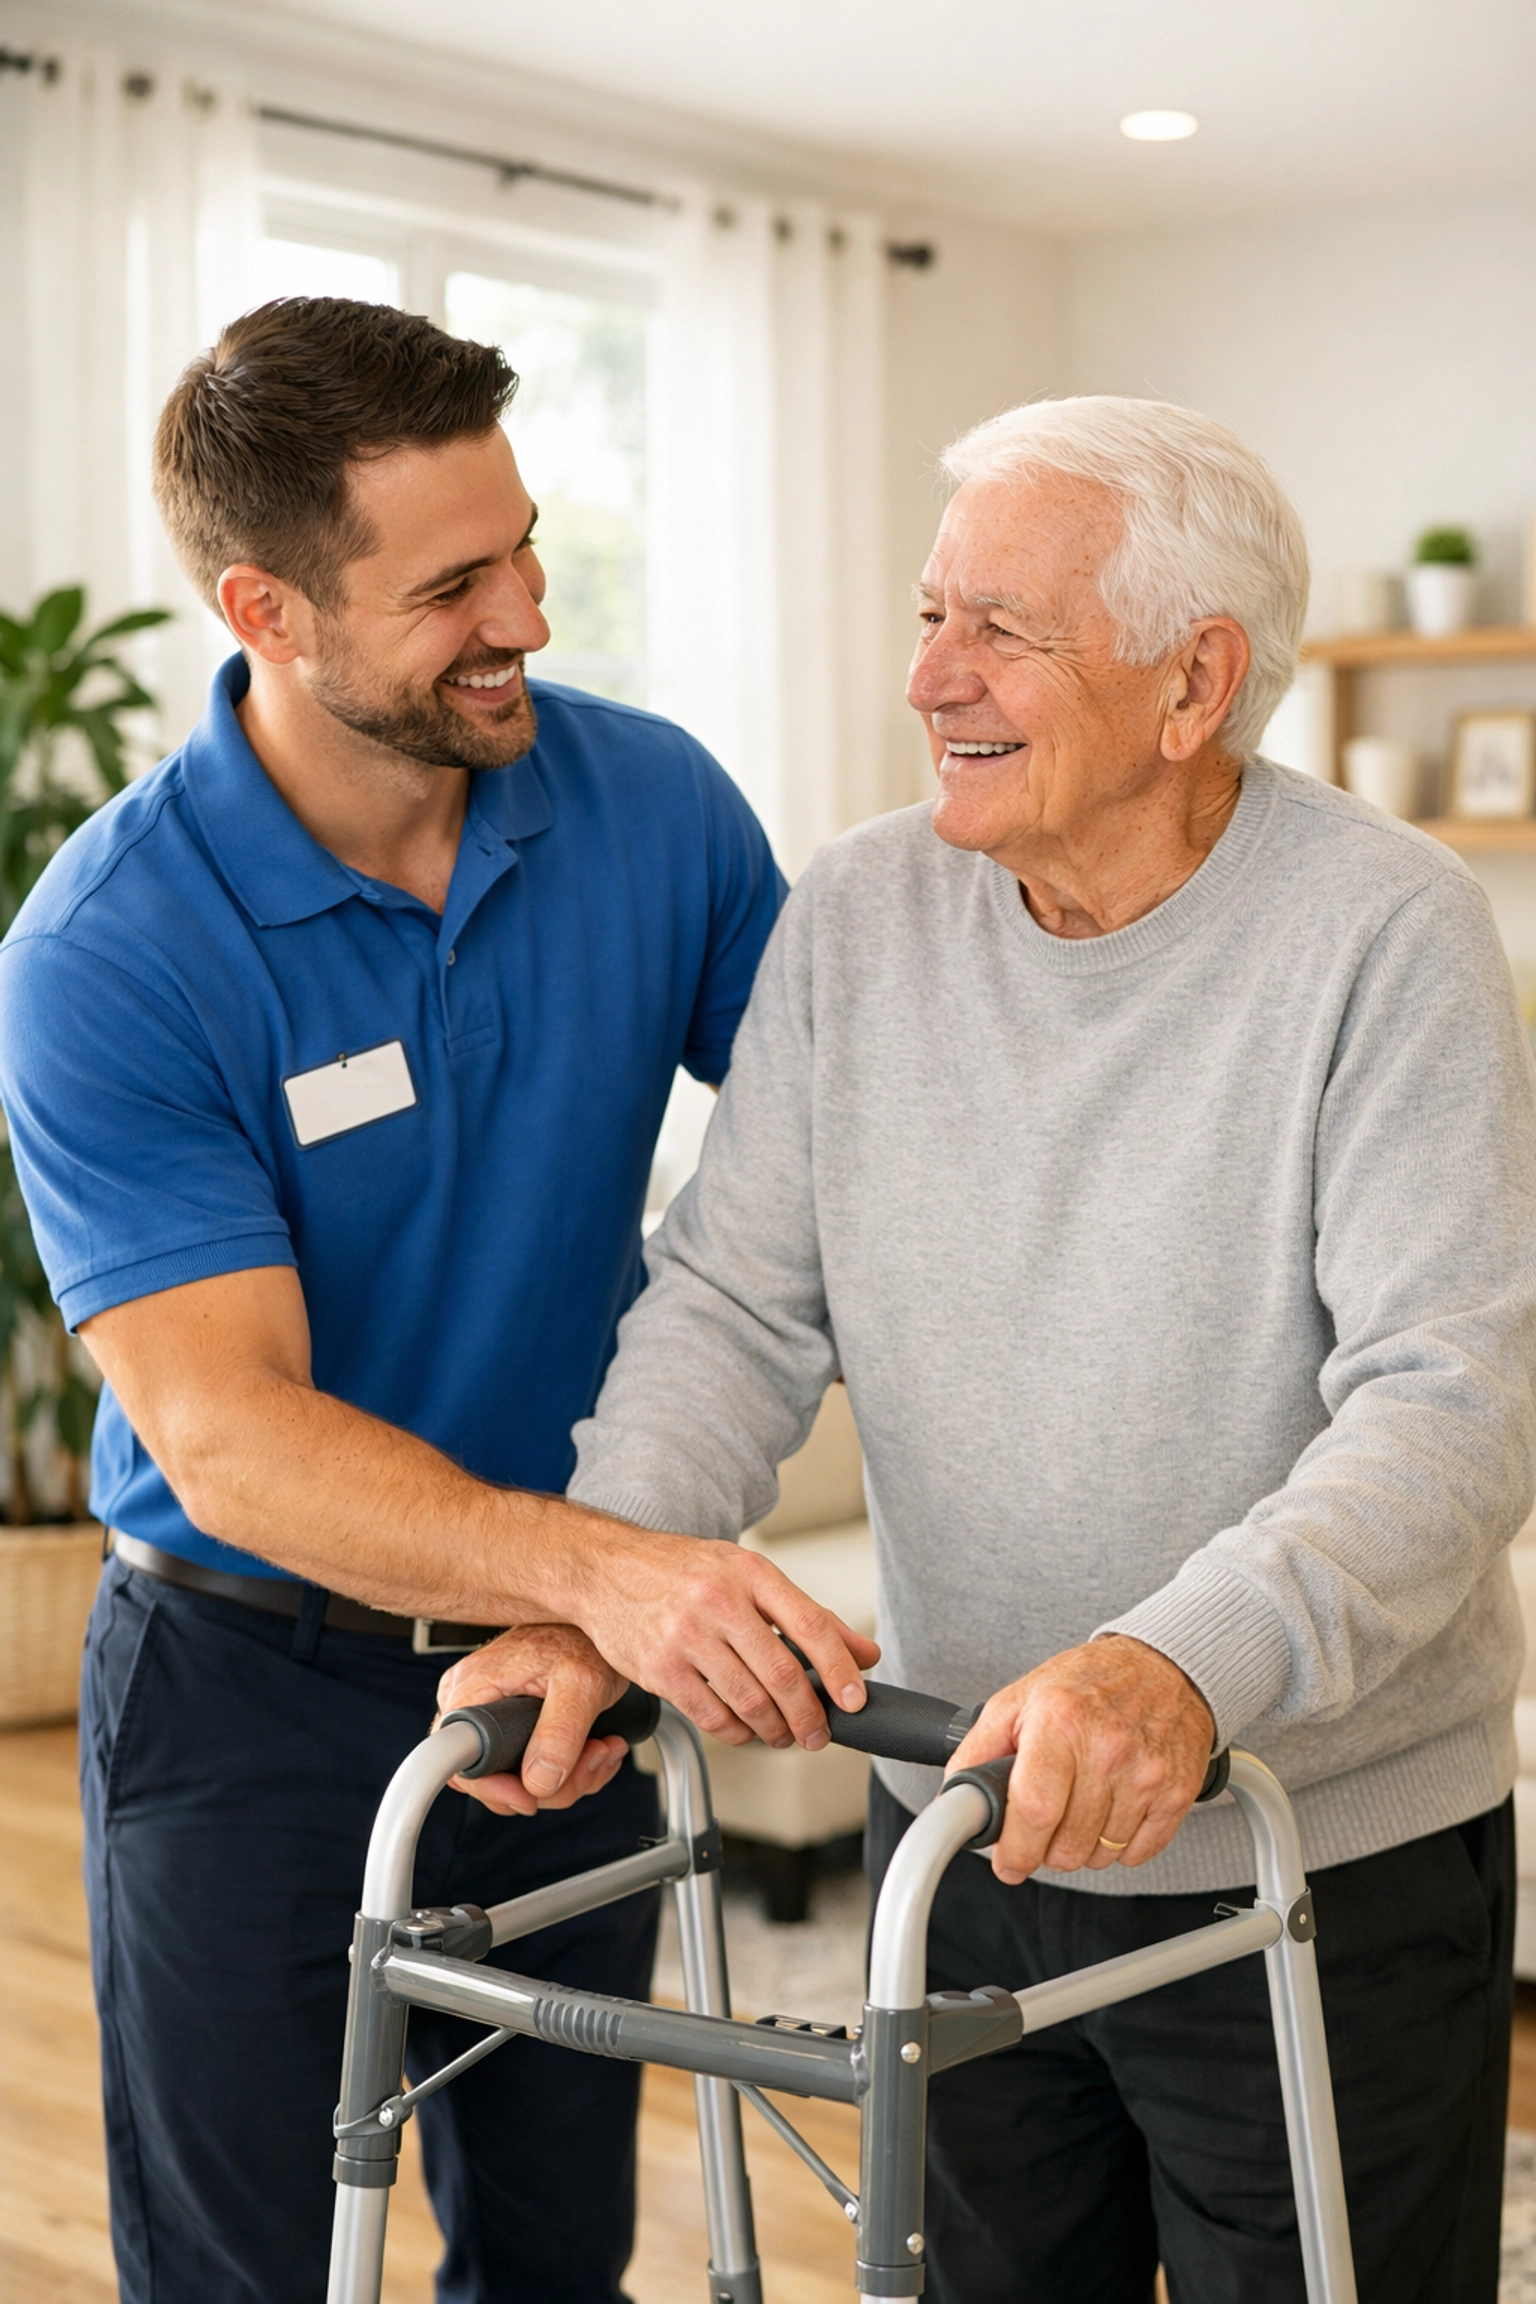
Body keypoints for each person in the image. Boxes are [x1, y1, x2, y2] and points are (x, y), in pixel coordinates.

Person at [485, 395, 1536, 2302]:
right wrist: (609, 1587)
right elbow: (735, 1298)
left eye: (997, 630)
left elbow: (1450, 1402)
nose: (925, 676)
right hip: (955, 1833)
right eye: (925, 613)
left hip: (1311, 1862)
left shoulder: (1387, 931)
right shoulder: (864, 910)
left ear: (1193, 680)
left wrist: (1174, 1668)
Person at [0, 297, 876, 2304]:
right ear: (268, 606)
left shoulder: (651, 809)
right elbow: (234, 1437)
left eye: (531, 549)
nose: (531, 617)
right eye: (455, 585)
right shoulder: (117, 946)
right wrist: (612, 1574)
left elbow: (845, 1159)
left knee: (561, 2257)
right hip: (255, 1698)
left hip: (566, 1689)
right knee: (247, 2274)